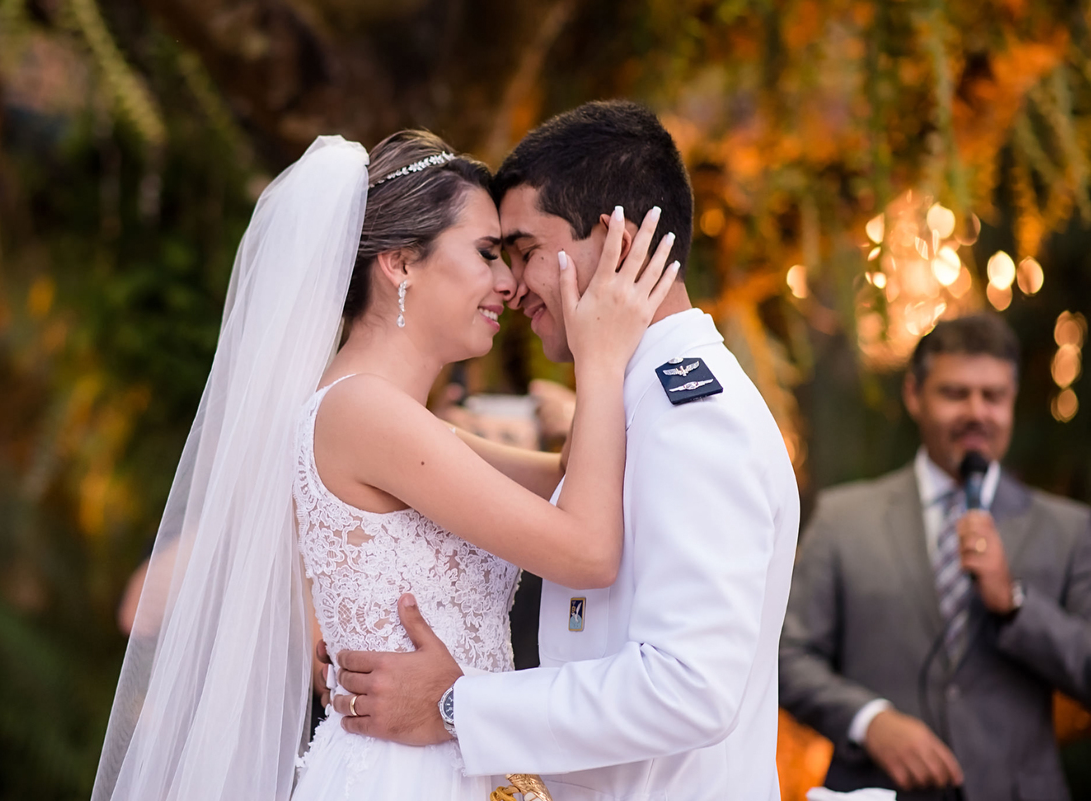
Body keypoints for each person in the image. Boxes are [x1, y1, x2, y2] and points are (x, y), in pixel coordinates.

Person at [91, 129, 679, 801]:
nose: (509, 282)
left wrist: (589, 328)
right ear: (399, 263)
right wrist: (600, 358)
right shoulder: (363, 412)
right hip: (405, 775)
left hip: (445, 762)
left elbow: (570, 479)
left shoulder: (392, 419)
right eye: (487, 254)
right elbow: (588, 551)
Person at [328, 100, 801, 800]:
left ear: (615, 243)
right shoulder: (635, 400)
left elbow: (689, 686)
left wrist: (457, 705)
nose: (513, 285)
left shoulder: (692, 416)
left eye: (523, 251)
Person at [779, 314, 1091, 800]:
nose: (976, 412)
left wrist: (1014, 603)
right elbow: (787, 657)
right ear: (913, 395)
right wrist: (869, 721)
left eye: (993, 396)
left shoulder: (1069, 530)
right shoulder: (843, 520)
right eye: (955, 394)